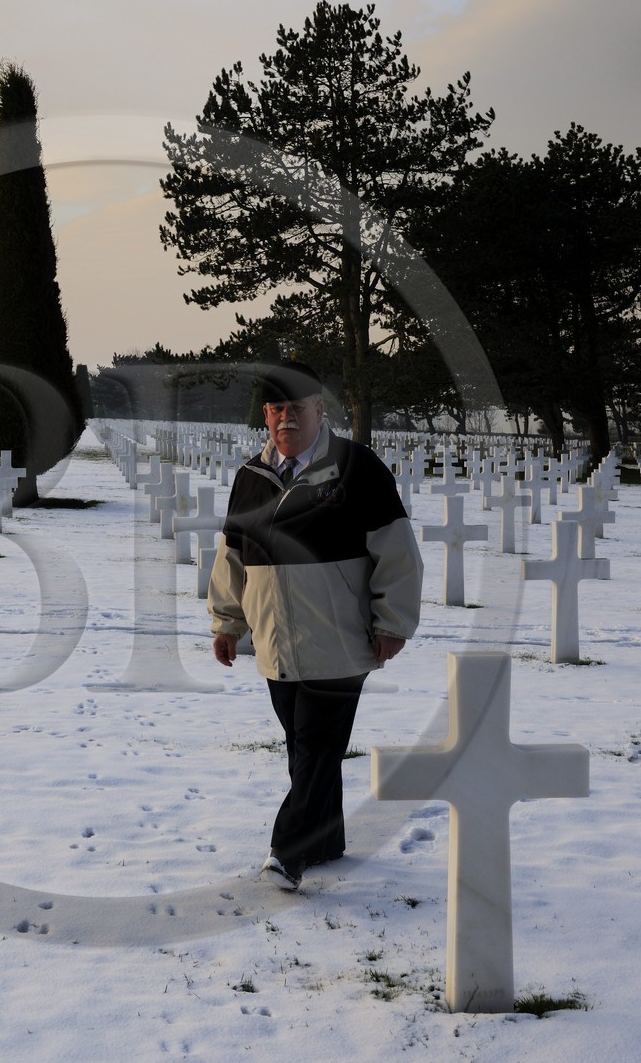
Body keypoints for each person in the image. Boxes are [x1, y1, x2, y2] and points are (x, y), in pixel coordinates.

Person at [208, 362, 422, 892]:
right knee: (302, 745)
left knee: (318, 743)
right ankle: (325, 841)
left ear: (319, 410)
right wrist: (227, 622)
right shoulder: (250, 478)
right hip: (275, 641)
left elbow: (397, 550)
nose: (285, 419)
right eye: (276, 410)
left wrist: (392, 621)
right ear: (265, 415)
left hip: (339, 639)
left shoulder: (357, 467)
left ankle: (289, 851)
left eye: (296, 408)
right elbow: (232, 558)